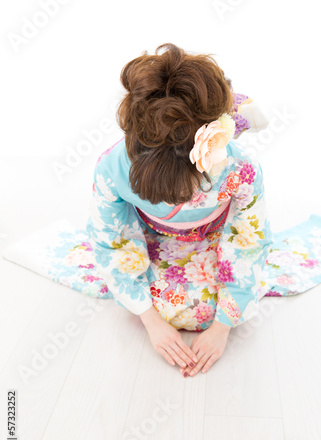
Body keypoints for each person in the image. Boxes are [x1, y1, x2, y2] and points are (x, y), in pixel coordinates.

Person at [86, 42, 273, 378]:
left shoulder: (238, 166)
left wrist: (222, 328)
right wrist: (151, 321)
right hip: (153, 231)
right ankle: (227, 102)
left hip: (215, 229)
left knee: (208, 311)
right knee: (169, 307)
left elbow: (248, 239)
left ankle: (232, 109)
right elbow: (112, 240)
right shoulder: (112, 167)